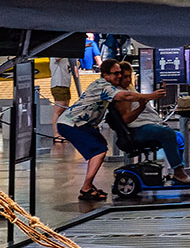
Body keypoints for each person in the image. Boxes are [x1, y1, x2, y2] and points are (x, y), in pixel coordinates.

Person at [56, 58, 166, 201]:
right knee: (99, 151)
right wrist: (150, 96)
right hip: (72, 124)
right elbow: (124, 96)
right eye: (116, 74)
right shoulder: (103, 86)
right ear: (105, 75)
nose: (119, 76)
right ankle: (86, 188)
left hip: (82, 124)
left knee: (100, 147)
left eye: (121, 73)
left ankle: (88, 186)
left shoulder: (108, 87)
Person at [111, 69, 190, 183]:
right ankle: (178, 171)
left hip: (145, 124)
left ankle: (178, 168)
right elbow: (126, 119)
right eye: (125, 77)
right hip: (135, 129)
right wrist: (143, 105)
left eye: (129, 76)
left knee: (179, 137)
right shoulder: (122, 95)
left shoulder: (131, 90)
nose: (128, 80)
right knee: (168, 134)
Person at [49, 55, 74, 137]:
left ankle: (63, 132)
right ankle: (56, 134)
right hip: (58, 84)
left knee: (65, 108)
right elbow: (57, 58)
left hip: (66, 84)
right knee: (59, 109)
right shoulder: (56, 56)